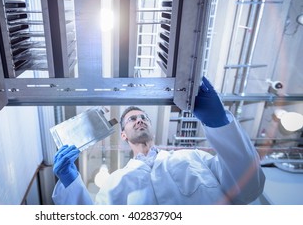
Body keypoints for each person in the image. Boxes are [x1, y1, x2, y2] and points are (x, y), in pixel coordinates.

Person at [52, 77, 265, 205]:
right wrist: (71, 184)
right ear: (123, 135)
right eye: (132, 119)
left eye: (143, 117)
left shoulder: (193, 157)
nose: (139, 121)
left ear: (151, 127)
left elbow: (248, 188)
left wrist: (220, 124)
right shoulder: (113, 183)